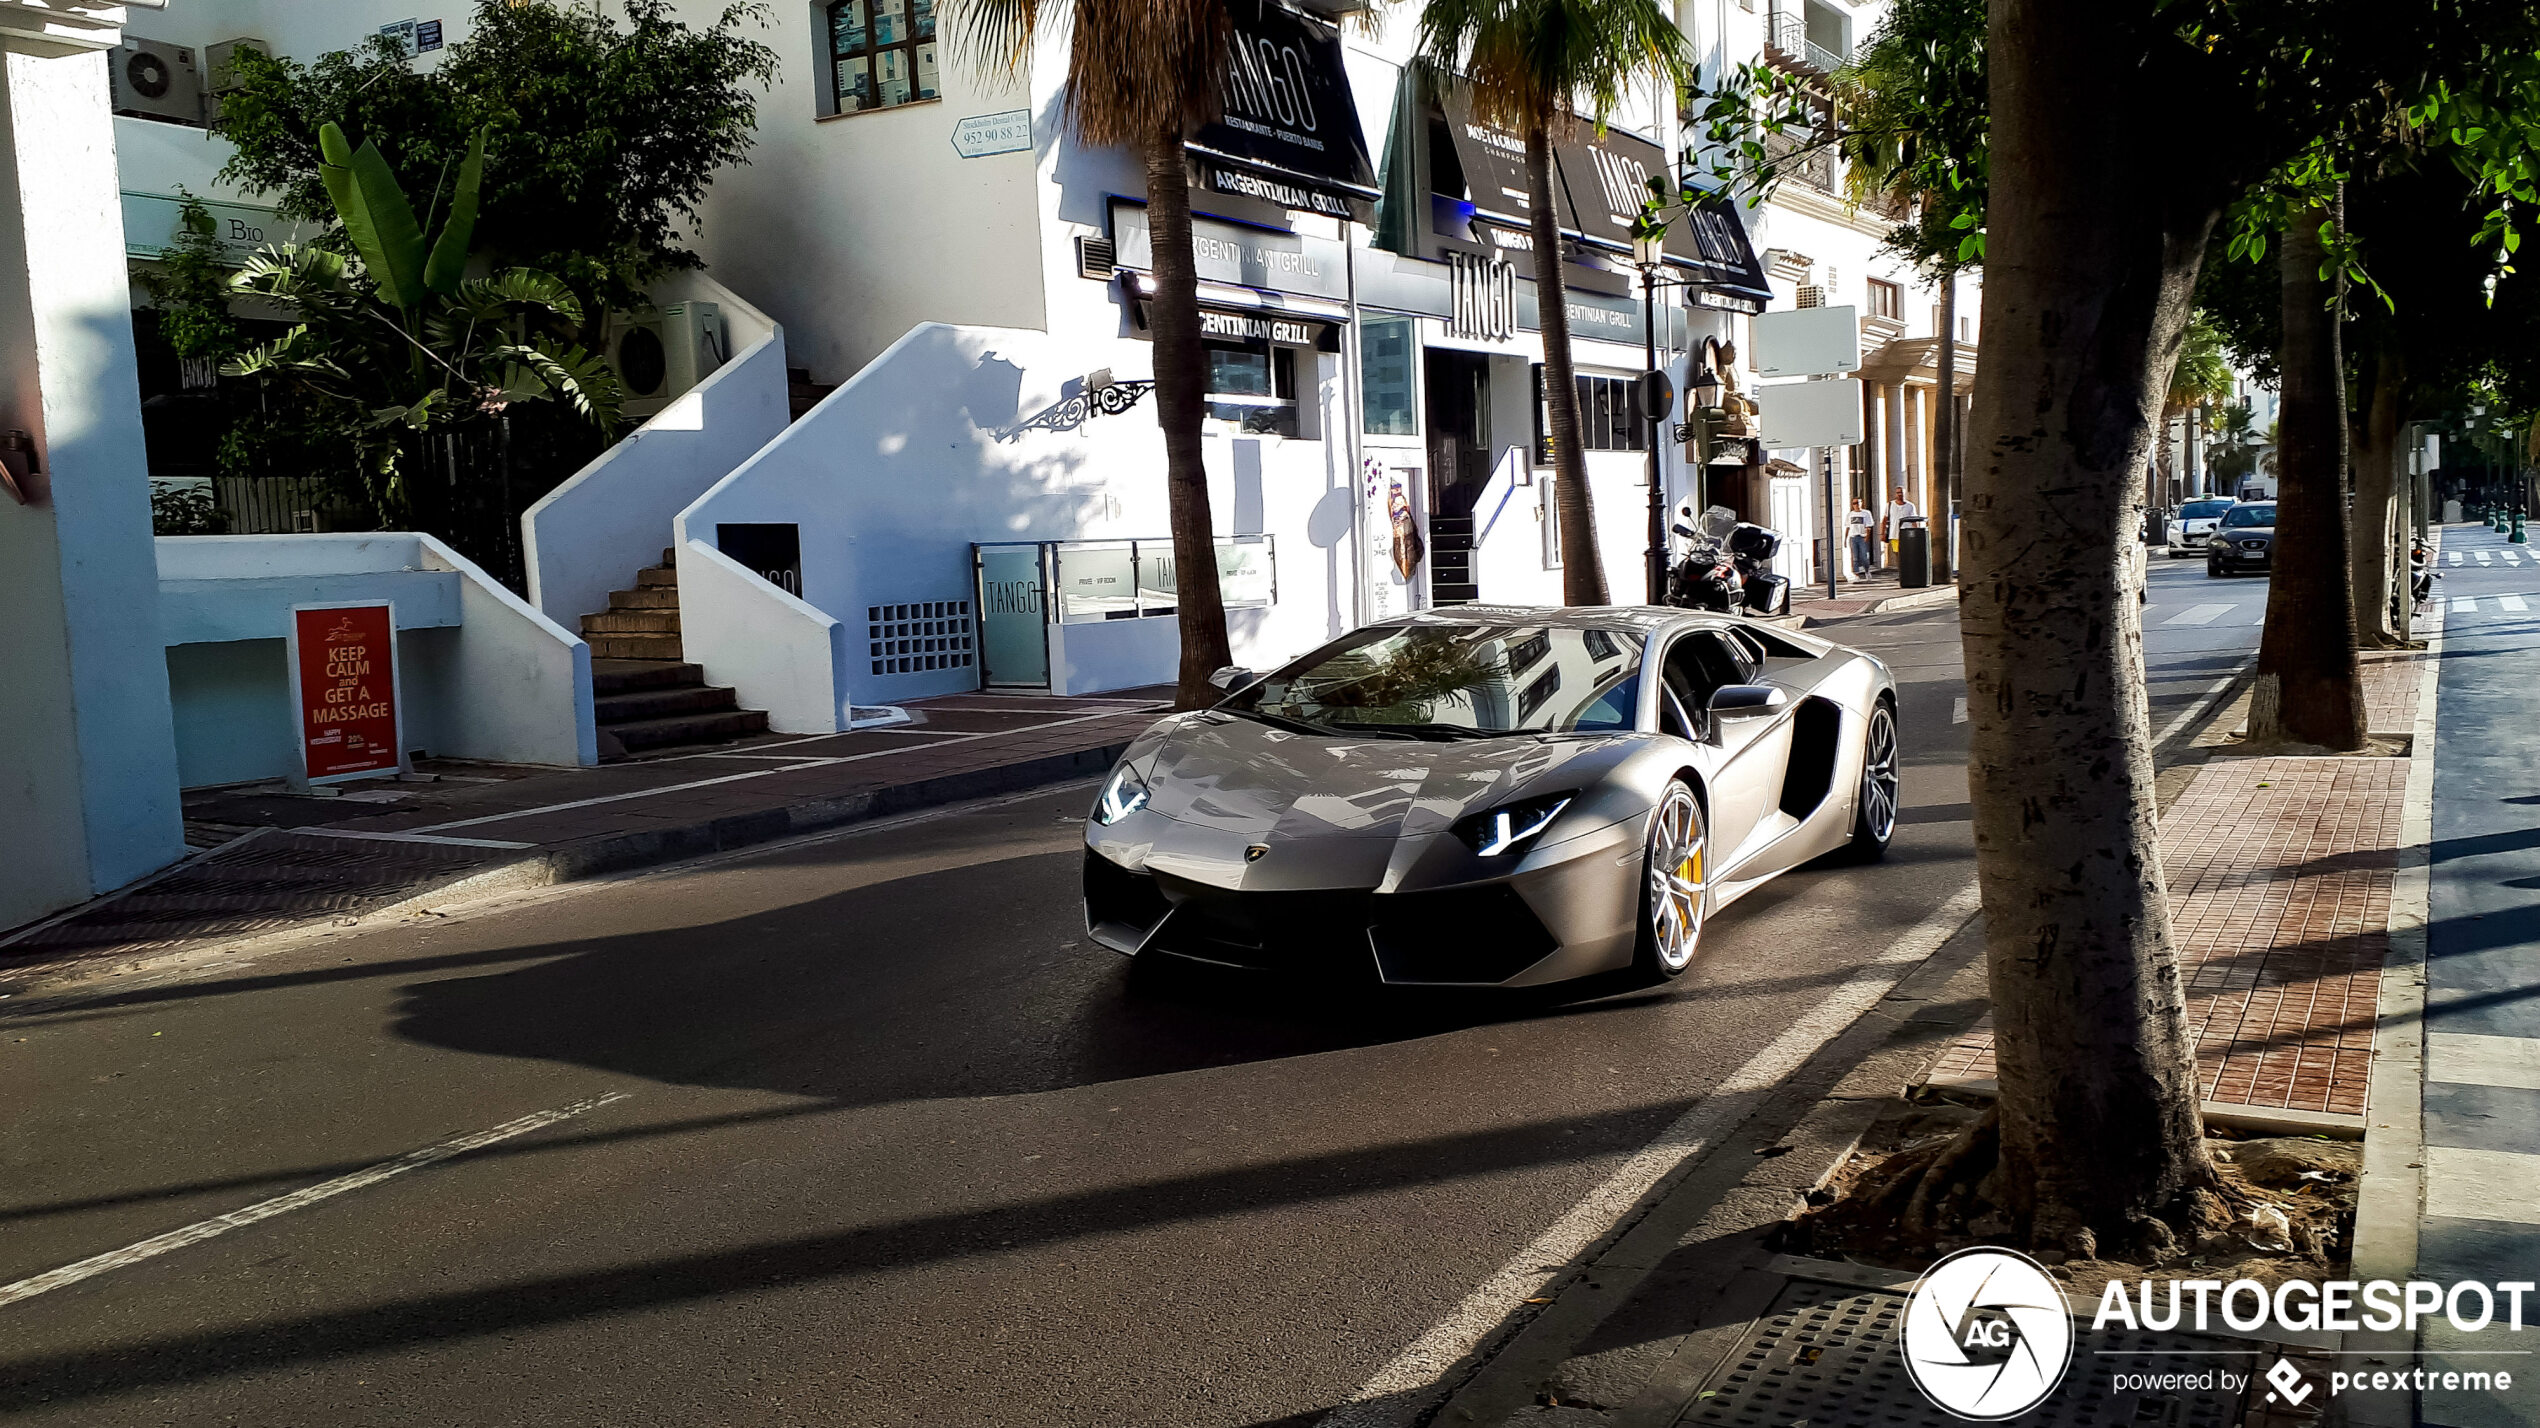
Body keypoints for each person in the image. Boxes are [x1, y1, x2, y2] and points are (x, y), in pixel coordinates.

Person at [1884, 486, 1923, 568]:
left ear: (1904, 494)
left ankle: (1908, 571)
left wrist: (1917, 532)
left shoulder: (1910, 506)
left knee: (1907, 553)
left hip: (1907, 534)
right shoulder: (1890, 505)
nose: (1899, 494)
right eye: (1898, 492)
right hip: (1894, 534)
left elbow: (1913, 520)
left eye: (1901, 492)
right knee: (1898, 554)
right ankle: (1901, 572)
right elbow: (1885, 519)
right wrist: (1882, 533)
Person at [1846, 498, 1876, 579]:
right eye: (1854, 503)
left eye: (1858, 503)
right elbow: (1848, 527)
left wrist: (1867, 537)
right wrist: (1846, 539)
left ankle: (1867, 570)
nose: (1856, 505)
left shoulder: (1866, 513)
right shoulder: (1850, 514)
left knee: (1864, 556)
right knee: (1855, 557)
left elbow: (1869, 527)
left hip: (1862, 536)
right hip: (1853, 536)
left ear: (1861, 503)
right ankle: (1856, 574)